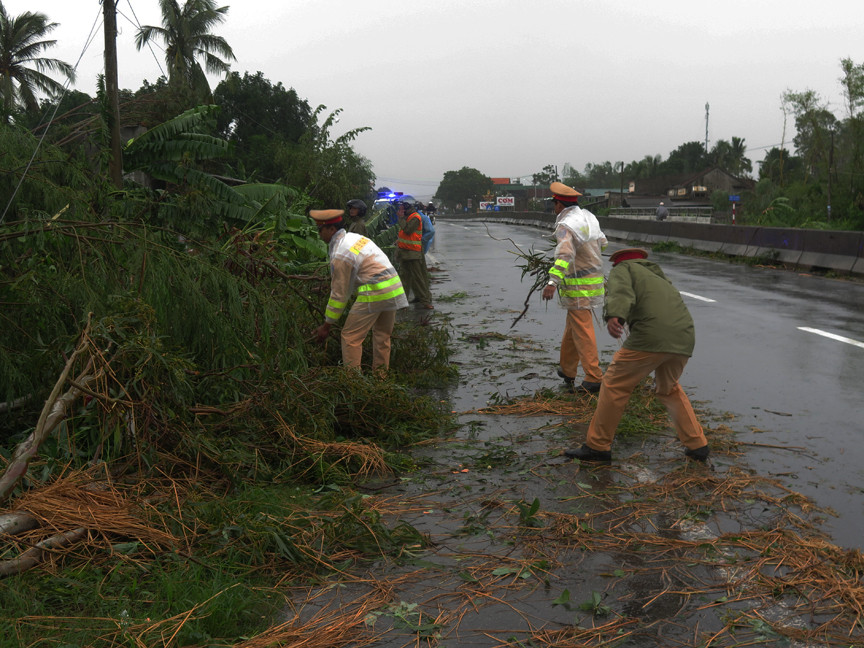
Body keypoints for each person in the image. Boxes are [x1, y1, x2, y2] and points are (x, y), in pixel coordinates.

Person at [565, 248, 710, 463]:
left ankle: (597, 445)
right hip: (684, 337)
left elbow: (621, 293)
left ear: (617, 262)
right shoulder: (658, 276)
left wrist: (616, 315)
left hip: (651, 336)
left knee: (614, 384)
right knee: (668, 388)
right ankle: (697, 444)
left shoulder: (623, 269)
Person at [311, 209, 408, 371]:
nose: (319, 235)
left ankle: (353, 383)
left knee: (350, 337)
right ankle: (381, 379)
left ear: (331, 230)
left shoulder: (340, 253)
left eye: (320, 230)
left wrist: (326, 326)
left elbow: (339, 295)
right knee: (382, 336)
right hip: (393, 287)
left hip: (375, 291)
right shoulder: (354, 238)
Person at [541, 182, 607, 394]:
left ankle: (594, 376)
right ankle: (568, 369)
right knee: (574, 326)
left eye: (555, 204)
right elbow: (603, 243)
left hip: (578, 285)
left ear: (559, 205)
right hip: (593, 280)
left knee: (582, 329)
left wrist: (553, 282)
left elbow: (565, 255)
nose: (554, 208)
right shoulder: (589, 217)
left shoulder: (566, 225)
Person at [396, 198, 433, 309]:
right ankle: (402, 302)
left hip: (413, 253)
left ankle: (425, 300)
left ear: (408, 207)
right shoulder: (408, 217)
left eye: (403, 207)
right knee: (405, 279)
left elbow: (408, 230)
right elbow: (404, 234)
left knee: (418, 277)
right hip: (405, 252)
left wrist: (400, 218)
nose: (401, 209)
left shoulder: (415, 218)